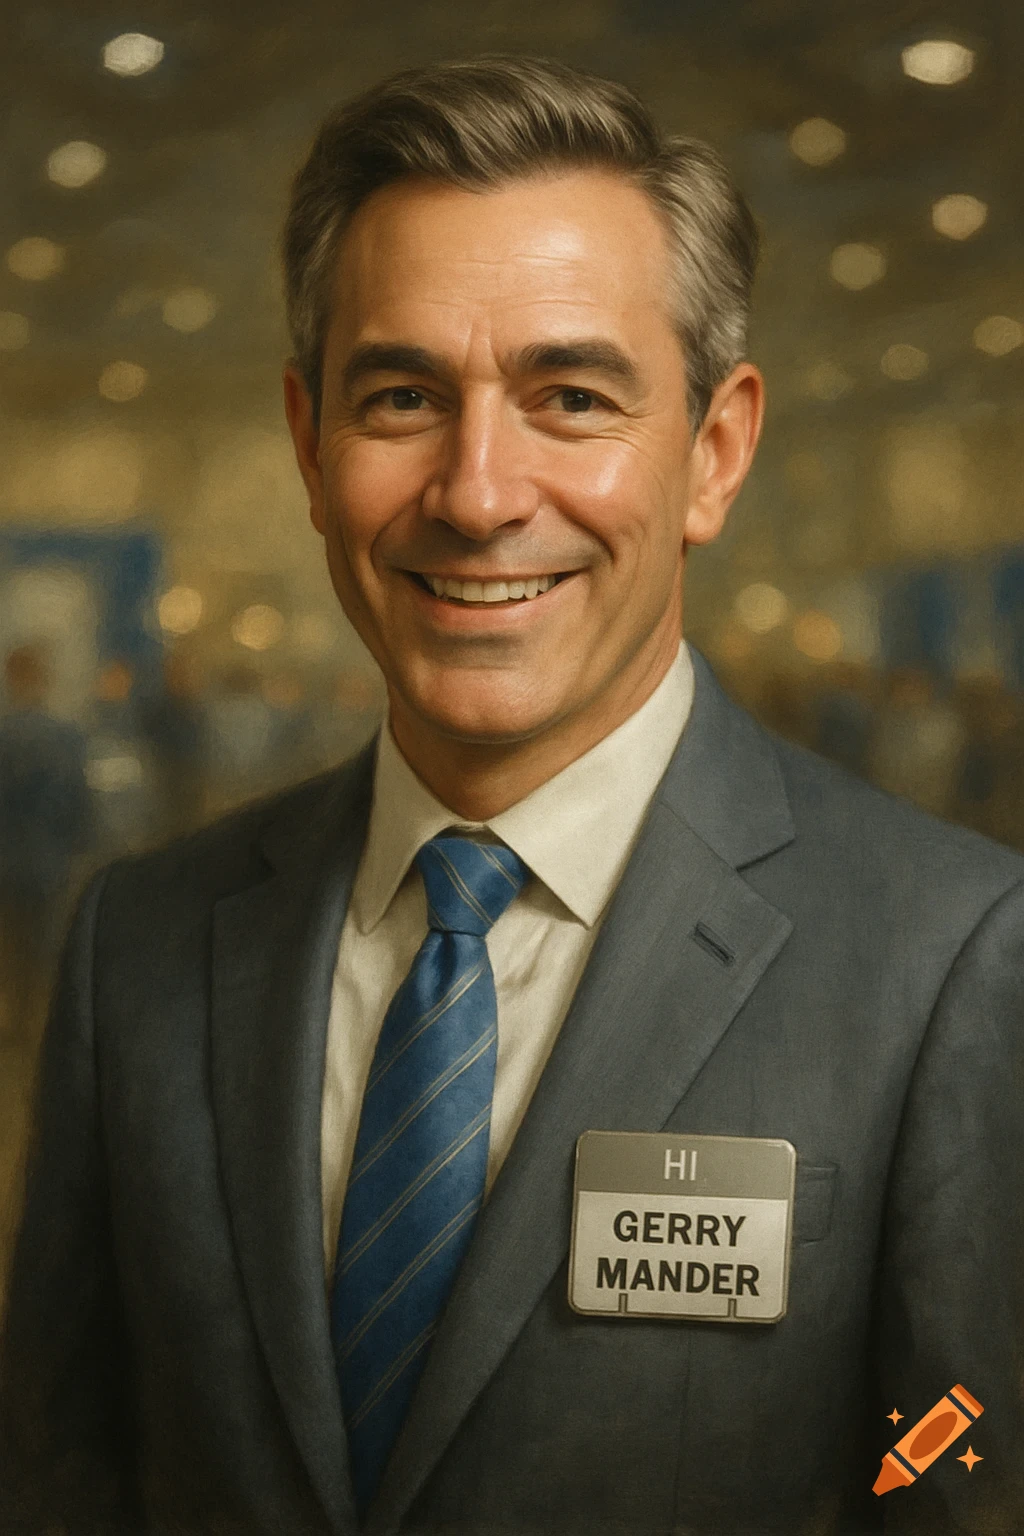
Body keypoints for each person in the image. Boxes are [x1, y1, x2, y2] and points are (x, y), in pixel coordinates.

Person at [1, 55, 1021, 1536]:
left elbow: (963, 1460)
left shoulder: (951, 960)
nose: (478, 492)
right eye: (403, 395)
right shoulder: (141, 949)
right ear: (310, 443)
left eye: (573, 395)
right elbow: (58, 1473)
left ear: (713, 454)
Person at [0, 646, 92, 1044]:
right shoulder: (68, 738)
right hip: (49, 863)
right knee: (43, 951)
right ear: (46, 681)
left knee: (6, 947)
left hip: (5, 860)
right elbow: (79, 807)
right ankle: (33, 1028)